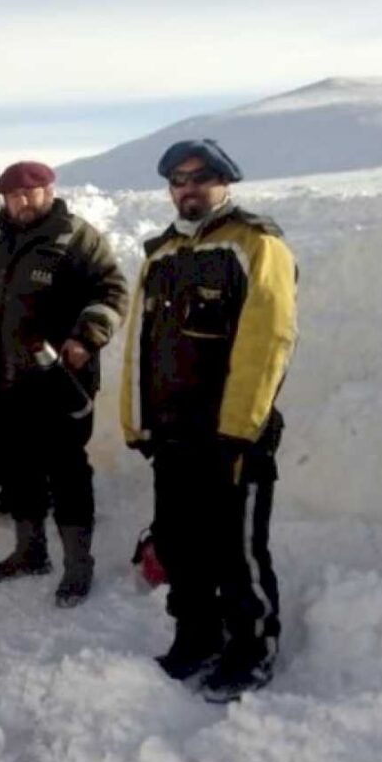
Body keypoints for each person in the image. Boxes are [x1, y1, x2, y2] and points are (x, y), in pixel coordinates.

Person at [121, 139, 297, 701]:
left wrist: (238, 431)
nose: (187, 188)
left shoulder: (255, 245)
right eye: (177, 179)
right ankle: (195, 638)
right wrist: (137, 423)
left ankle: (251, 649)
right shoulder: (162, 254)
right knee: (179, 544)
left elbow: (267, 341)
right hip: (173, 435)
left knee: (234, 550)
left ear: (226, 181)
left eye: (200, 177)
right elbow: (138, 347)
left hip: (230, 437)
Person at [0, 161, 129, 606]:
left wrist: (84, 338)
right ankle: (30, 551)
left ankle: (78, 566)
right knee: (17, 467)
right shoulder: (0, 246)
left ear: (49, 190)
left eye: (29, 192)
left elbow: (112, 291)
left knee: (67, 471)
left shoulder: (74, 236)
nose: (21, 201)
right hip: (6, 382)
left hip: (58, 381)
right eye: (12, 195)